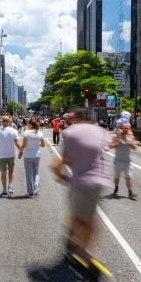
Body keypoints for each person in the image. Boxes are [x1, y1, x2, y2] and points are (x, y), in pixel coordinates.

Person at [50, 108, 110, 260]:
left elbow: (62, 161)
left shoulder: (70, 132)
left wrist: (61, 177)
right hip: (98, 181)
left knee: (77, 217)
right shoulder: (100, 131)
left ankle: (81, 248)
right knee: (89, 218)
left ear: (74, 118)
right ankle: (77, 244)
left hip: (80, 182)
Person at [0, 116, 22, 197]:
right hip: (11, 154)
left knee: (3, 173)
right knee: (11, 171)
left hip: (2, 155)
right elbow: (17, 143)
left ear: (1, 122)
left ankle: (4, 190)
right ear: (9, 122)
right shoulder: (13, 131)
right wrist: (21, 150)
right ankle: (10, 185)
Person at [109, 121, 138, 199]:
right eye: (124, 128)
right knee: (116, 177)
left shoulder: (131, 137)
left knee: (128, 176)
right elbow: (110, 146)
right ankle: (116, 186)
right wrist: (118, 143)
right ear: (120, 128)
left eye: (127, 128)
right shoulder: (116, 137)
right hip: (117, 161)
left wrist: (130, 143)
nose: (126, 130)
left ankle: (130, 192)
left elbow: (135, 147)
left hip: (127, 162)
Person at [18, 117, 45, 197]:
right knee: (36, 172)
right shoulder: (39, 133)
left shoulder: (26, 133)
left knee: (29, 174)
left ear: (30, 125)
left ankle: (30, 192)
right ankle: (35, 187)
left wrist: (20, 152)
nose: (27, 125)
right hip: (37, 155)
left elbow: (24, 144)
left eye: (27, 124)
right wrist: (37, 144)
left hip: (28, 155)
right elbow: (43, 144)